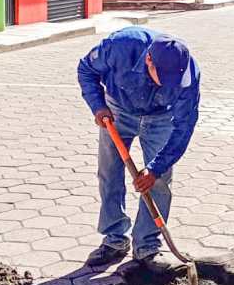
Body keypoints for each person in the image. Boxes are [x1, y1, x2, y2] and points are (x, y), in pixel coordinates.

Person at [77, 26, 200, 268]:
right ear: (149, 60)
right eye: (164, 79)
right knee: (109, 173)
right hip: (117, 112)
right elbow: (86, 69)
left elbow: (184, 126)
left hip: (160, 119)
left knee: (159, 181)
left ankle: (146, 246)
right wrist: (98, 106)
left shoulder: (187, 74)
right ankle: (114, 240)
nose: (170, 86)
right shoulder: (120, 46)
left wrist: (154, 169)